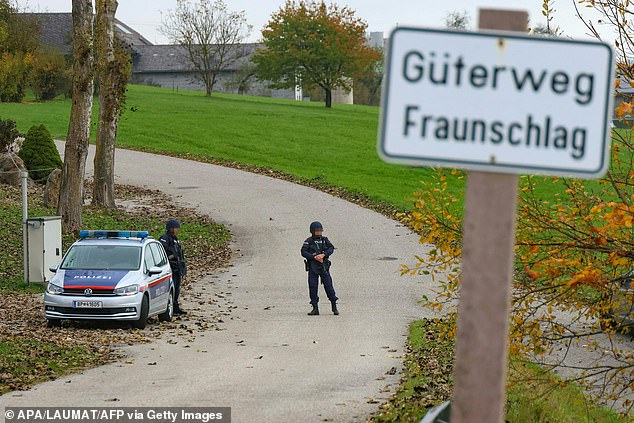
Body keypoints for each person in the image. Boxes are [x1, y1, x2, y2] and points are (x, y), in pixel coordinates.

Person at [301, 221, 339, 316]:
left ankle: (334, 306)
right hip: (313, 267)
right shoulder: (308, 241)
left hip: (324, 267)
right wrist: (313, 257)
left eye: (320, 231)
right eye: (317, 231)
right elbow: (303, 252)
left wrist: (324, 255)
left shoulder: (325, 240)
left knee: (329, 286)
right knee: (313, 287)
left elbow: (331, 248)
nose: (319, 232)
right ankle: (315, 308)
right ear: (312, 231)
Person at [160, 219, 187, 315]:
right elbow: (163, 253)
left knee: (177, 289)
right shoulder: (165, 239)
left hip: (177, 269)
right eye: (176, 228)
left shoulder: (175, 240)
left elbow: (180, 254)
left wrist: (183, 267)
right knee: (172, 289)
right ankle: (170, 307)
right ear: (171, 228)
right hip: (170, 269)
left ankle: (175, 306)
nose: (177, 230)